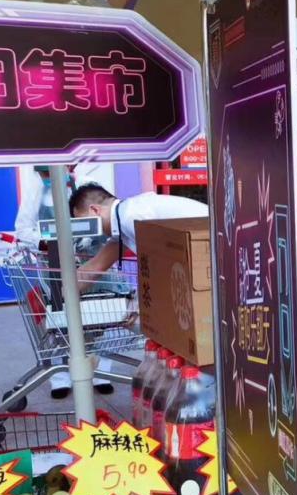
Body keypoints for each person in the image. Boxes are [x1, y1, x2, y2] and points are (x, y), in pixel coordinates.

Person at [15, 164, 116, 397]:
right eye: (44, 172)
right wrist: (46, 241)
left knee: (99, 320)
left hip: (94, 264)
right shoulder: (36, 190)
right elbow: (22, 229)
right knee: (61, 324)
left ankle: (102, 372)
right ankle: (60, 378)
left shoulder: (87, 184)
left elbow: (107, 219)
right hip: (56, 267)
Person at [69, 184, 207, 277]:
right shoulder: (123, 219)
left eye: (84, 221)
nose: (88, 232)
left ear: (95, 210)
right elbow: (96, 265)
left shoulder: (130, 217)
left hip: (209, 247)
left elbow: (162, 265)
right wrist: (62, 292)